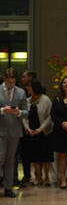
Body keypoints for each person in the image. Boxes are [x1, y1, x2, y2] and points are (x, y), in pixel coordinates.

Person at [0, 68, 28, 197]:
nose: (10, 84)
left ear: (15, 80)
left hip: (15, 132)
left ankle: (8, 187)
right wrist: (2, 110)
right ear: (4, 79)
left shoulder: (21, 92)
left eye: (12, 82)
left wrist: (19, 113)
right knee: (0, 158)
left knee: (10, 160)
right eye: (8, 81)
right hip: (1, 130)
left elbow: (27, 113)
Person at [22, 79, 54, 186]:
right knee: (34, 156)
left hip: (44, 132)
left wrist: (40, 129)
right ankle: (38, 177)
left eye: (29, 87)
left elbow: (50, 117)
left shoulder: (46, 100)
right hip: (31, 132)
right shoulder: (27, 101)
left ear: (35, 88)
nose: (27, 88)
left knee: (45, 156)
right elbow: (24, 117)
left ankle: (46, 177)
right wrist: (27, 129)